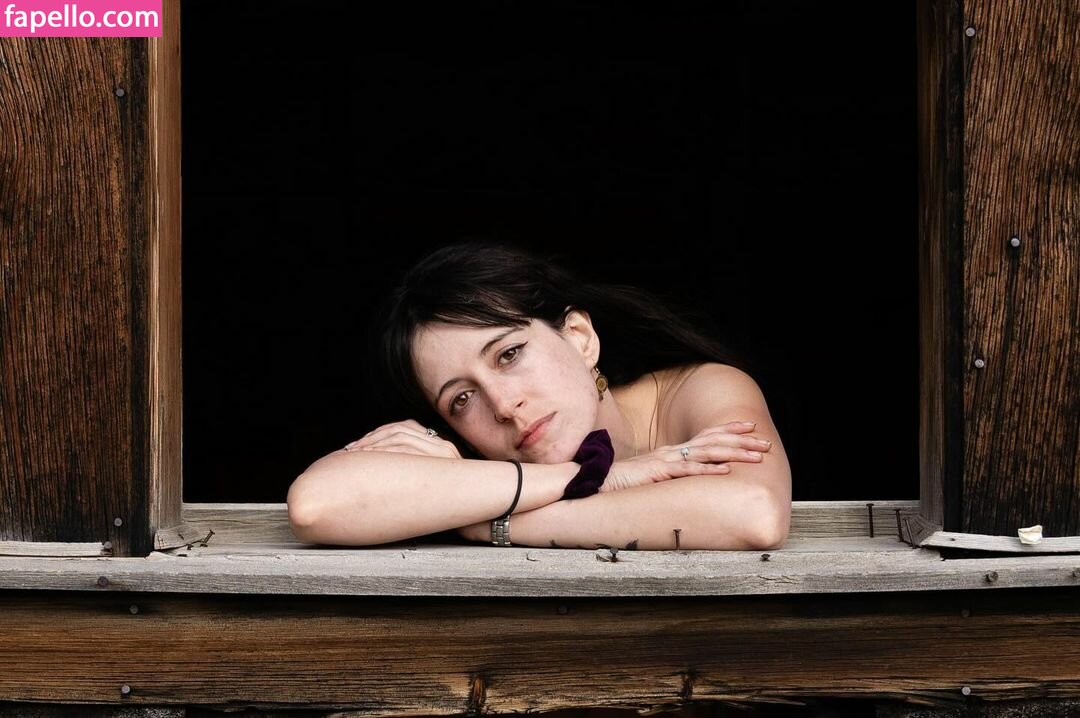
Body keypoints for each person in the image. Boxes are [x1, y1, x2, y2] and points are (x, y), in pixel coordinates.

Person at [286, 241, 791, 550]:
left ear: (580, 338)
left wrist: (487, 524)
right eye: (461, 399)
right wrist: (596, 478)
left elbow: (754, 514)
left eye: (508, 354)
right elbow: (317, 505)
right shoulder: (472, 460)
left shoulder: (697, 390)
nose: (503, 406)